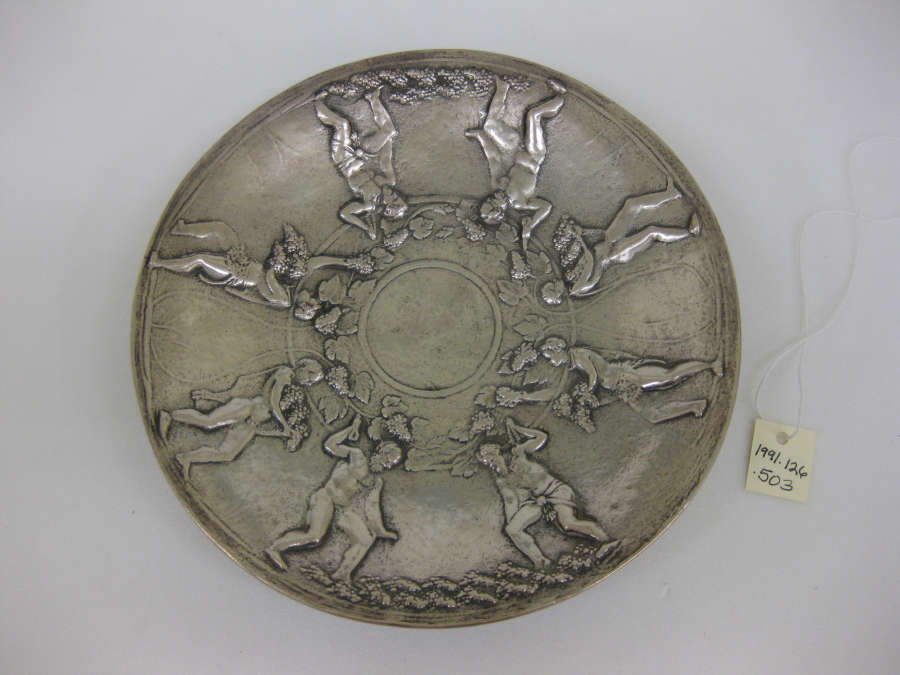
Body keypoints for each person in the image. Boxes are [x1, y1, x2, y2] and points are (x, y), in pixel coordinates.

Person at [264, 415, 402, 582]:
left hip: (342, 509)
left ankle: (342, 574)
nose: (388, 465)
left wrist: (381, 531)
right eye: (388, 459)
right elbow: (330, 445)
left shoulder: (375, 481)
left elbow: (372, 506)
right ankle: (275, 548)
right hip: (326, 499)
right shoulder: (357, 456)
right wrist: (349, 429)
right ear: (380, 452)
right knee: (314, 537)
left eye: (392, 464)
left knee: (365, 539)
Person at [477, 419, 617, 569]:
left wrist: (518, 428)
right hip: (537, 501)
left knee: (567, 524)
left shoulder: (519, 453)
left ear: (498, 453)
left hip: (556, 491)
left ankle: (607, 541)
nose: (491, 465)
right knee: (512, 529)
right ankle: (541, 561)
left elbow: (541, 437)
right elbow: (510, 502)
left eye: (491, 460)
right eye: (487, 463)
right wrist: (514, 520)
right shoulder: (502, 480)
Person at [496, 337, 722, 424]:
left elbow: (594, 375)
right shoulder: (572, 365)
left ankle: (710, 365)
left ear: (558, 349)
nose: (553, 362)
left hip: (625, 376)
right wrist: (524, 396)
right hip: (619, 389)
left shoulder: (578, 355)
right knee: (651, 416)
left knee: (668, 377)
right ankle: (695, 406)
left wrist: (587, 391)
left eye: (551, 357)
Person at [148, 220, 370, 308]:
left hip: (238, 273)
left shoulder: (283, 298)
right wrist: (347, 262)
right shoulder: (292, 281)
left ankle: (160, 263)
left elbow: (270, 273)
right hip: (245, 260)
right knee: (221, 229)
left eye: (311, 298)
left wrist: (282, 261)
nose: (311, 293)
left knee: (199, 259)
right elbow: (318, 262)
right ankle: (182, 229)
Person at [555, 177, 701, 297]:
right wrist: (580, 241)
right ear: (559, 294)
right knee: (651, 231)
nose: (555, 282)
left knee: (631, 205)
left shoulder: (571, 272)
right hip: (616, 252)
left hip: (607, 239)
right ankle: (690, 232)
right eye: (553, 288)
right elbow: (589, 260)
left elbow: (591, 246)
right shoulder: (578, 287)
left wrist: (582, 232)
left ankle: (671, 194)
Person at [466, 77, 566, 250]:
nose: (491, 196)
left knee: (490, 126)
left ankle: (503, 87)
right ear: (499, 210)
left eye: (488, 199)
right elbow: (546, 206)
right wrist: (532, 224)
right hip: (534, 154)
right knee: (533, 115)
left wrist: (481, 137)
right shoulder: (521, 203)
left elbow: (494, 157)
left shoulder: (498, 184)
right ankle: (560, 97)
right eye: (492, 201)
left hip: (516, 148)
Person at [159, 366, 295, 481]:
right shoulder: (284, 373)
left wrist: (284, 432)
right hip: (246, 408)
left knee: (227, 454)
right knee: (208, 421)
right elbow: (274, 404)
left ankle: (185, 458)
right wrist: (285, 425)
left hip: (252, 424)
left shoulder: (294, 392)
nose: (290, 379)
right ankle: (169, 416)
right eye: (290, 377)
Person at [315, 87, 408, 239]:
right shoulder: (389, 181)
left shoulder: (369, 203)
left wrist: (366, 227)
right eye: (399, 196)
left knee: (342, 125)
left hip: (343, 158)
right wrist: (387, 141)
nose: (396, 194)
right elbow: (385, 159)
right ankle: (373, 98)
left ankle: (318, 104)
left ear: (388, 208)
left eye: (395, 199)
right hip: (362, 152)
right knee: (390, 131)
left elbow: (345, 213)